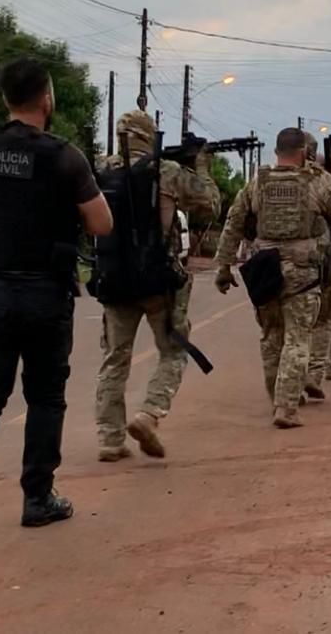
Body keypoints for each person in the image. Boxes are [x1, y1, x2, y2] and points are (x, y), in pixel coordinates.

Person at [0, 58, 113, 544]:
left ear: (5, 100)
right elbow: (102, 224)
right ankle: (37, 499)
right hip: (45, 295)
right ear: (47, 98)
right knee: (44, 398)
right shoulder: (66, 157)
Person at [213, 128, 331, 428]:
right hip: (302, 274)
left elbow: (233, 223)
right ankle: (286, 407)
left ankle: (276, 398)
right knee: (297, 340)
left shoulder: (258, 183)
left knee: (271, 338)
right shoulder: (317, 182)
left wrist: (223, 266)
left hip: (264, 270)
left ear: (277, 152)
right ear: (302, 153)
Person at [92, 111, 220, 462]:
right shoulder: (166, 171)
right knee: (173, 350)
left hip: (114, 278)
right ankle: (149, 414)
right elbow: (211, 203)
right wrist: (202, 165)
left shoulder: (100, 170)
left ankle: (110, 438)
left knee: (114, 359)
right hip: (158, 282)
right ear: (148, 136)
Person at [302, 133, 331, 400]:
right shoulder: (325, 182)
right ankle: (314, 374)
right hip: (321, 261)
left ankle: (289, 381)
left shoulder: (267, 179)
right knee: (324, 318)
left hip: (275, 263)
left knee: (288, 329)